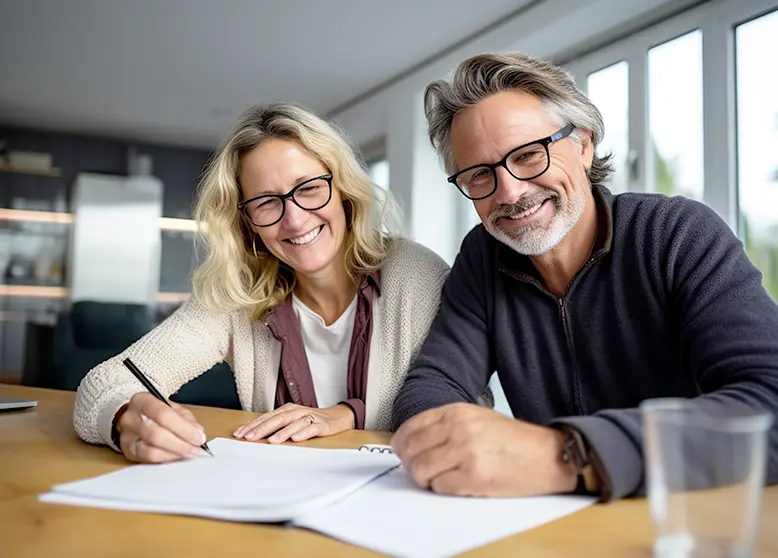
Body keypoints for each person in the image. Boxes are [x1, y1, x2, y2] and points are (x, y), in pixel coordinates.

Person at [390, 52, 778, 502]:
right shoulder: (481, 258)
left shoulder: (677, 234)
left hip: (690, 518)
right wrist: (448, 440)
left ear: (583, 145)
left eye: (530, 155)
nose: (510, 192)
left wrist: (566, 453)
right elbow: (431, 387)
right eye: (479, 175)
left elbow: (769, 403)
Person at [73, 102, 452, 464]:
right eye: (267, 202)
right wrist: (127, 417)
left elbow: (461, 412)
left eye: (308, 188)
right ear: (247, 221)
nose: (295, 220)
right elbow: (103, 383)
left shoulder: (416, 275)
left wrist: (346, 414)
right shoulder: (237, 295)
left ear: (343, 190)